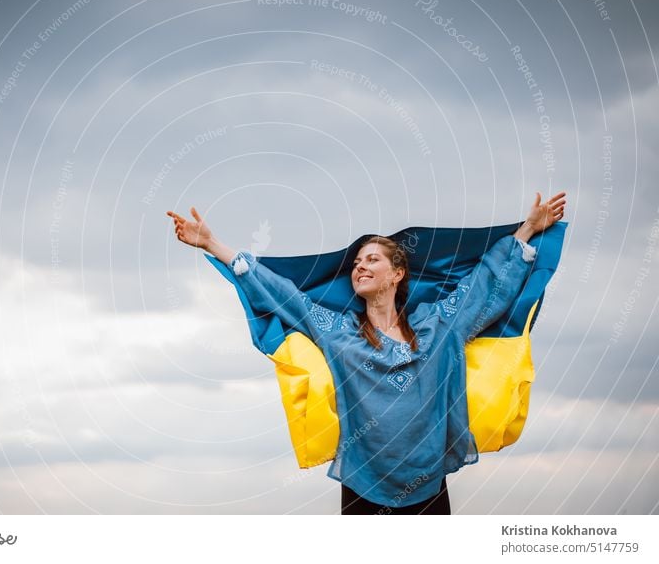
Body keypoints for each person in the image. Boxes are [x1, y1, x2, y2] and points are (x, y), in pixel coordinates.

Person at [167, 192, 566, 514]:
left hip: (427, 486)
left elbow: (481, 286)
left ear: (397, 274)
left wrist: (529, 228)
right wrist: (213, 244)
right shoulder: (337, 332)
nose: (360, 267)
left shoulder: (438, 328)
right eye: (356, 262)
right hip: (362, 488)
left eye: (371, 259)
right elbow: (283, 294)